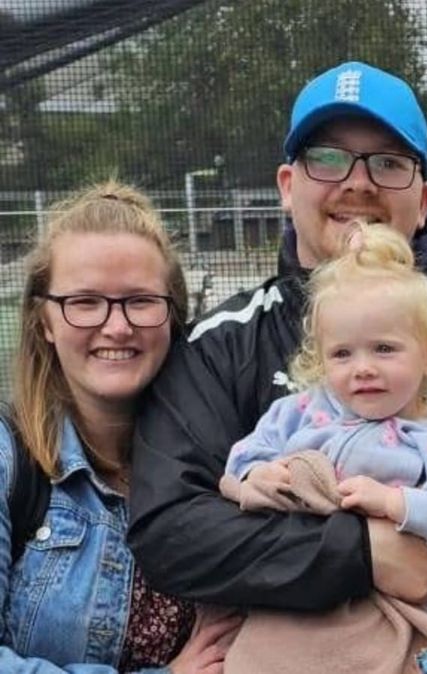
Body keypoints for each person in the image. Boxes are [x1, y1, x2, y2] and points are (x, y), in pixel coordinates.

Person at [127, 61, 427, 674]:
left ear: (425, 197)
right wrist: (361, 551)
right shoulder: (213, 346)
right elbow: (172, 528)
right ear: (286, 184)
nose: (357, 184)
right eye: (327, 159)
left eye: (388, 162)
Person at [0, 181, 242, 672]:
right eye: (85, 302)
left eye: (140, 301)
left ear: (174, 316)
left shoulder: (233, 453)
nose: (117, 326)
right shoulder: (10, 461)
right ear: (43, 321)